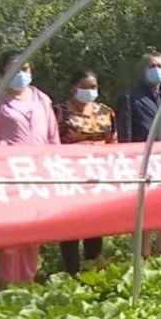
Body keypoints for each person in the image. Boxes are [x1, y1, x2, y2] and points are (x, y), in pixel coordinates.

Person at [0, 51, 60, 290]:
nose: (21, 74)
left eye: (25, 69)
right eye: (15, 70)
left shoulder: (42, 99)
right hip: (7, 176)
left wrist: (57, 169)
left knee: (33, 233)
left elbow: (53, 138)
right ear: (2, 74)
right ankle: (9, 287)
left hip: (37, 175)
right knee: (11, 235)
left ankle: (29, 282)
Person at [117, 51, 161, 258]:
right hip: (145, 166)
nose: (157, 70)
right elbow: (125, 135)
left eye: (160, 66)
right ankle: (143, 259)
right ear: (143, 70)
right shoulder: (130, 97)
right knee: (146, 218)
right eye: (152, 66)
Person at [55, 69, 118, 275]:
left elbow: (113, 142)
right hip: (70, 175)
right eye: (84, 87)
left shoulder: (105, 112)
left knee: (94, 222)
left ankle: (92, 267)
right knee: (70, 224)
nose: (89, 91)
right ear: (73, 88)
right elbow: (52, 142)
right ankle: (71, 271)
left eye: (93, 87)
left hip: (98, 175)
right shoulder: (59, 112)